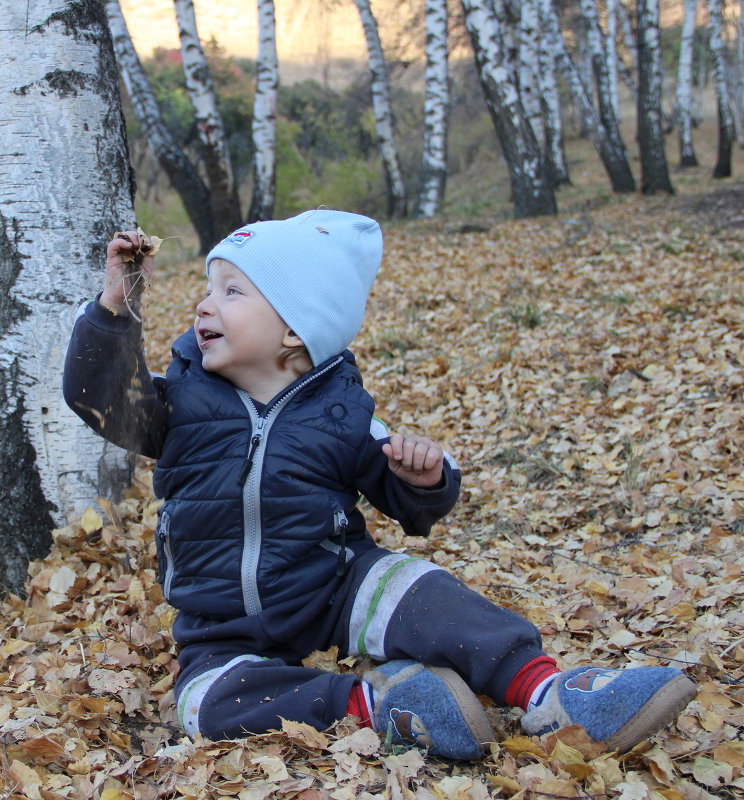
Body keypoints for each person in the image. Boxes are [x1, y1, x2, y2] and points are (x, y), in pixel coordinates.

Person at [63, 210, 696, 760]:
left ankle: (546, 690)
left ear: (294, 330)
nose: (204, 304)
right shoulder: (178, 404)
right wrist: (114, 306)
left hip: (334, 588)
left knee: (416, 586)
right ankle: (381, 702)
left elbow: (407, 503)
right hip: (219, 621)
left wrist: (425, 478)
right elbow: (95, 397)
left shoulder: (343, 414)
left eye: (232, 292)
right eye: (208, 288)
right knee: (203, 706)